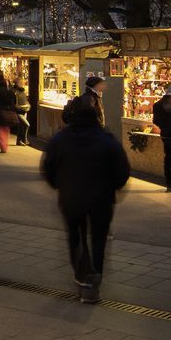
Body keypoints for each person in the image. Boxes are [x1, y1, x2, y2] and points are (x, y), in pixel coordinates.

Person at [41, 100, 131, 302]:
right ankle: (94, 277)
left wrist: (59, 185)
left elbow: (48, 167)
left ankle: (82, 275)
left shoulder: (61, 139)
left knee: (76, 237)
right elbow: (123, 170)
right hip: (101, 199)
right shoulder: (107, 139)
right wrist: (112, 187)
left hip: (71, 198)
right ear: (96, 118)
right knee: (99, 239)